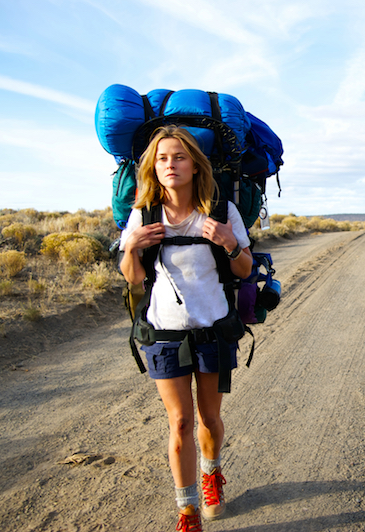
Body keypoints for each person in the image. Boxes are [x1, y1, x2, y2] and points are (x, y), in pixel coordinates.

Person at [119, 125, 252, 531]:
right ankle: (188, 511)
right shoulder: (142, 214)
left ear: (195, 165)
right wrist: (132, 246)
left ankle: (212, 477)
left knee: (209, 419)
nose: (170, 164)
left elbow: (244, 269)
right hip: (164, 333)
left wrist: (229, 242)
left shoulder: (221, 211)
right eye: (161, 158)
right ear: (152, 168)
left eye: (178, 157)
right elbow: (133, 280)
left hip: (212, 329)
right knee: (180, 422)